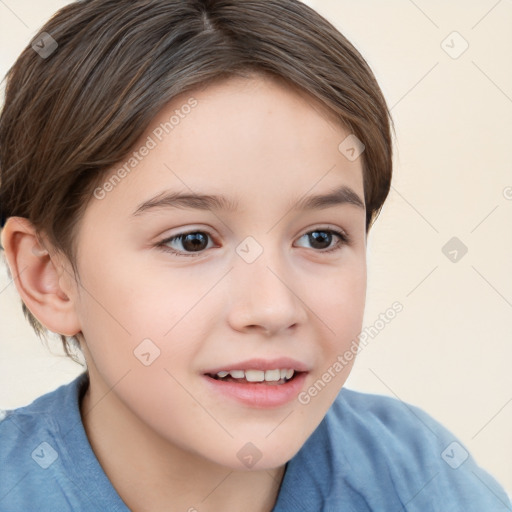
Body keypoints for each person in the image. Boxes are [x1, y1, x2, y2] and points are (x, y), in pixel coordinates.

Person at [0, 0, 510, 510]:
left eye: (321, 238)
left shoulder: (420, 477)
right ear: (49, 276)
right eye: (192, 240)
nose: (273, 308)